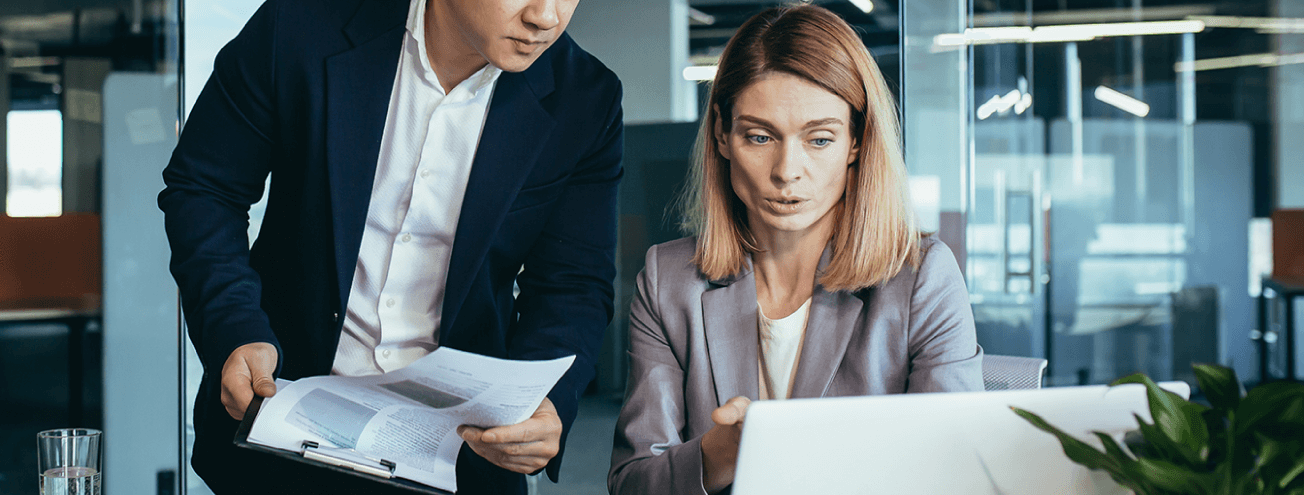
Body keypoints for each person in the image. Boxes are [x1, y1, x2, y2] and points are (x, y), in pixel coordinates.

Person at [157, 0, 623, 491]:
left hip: (461, 454)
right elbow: (205, 189)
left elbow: (573, 283)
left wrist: (547, 400)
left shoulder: (584, 98)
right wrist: (234, 329)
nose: (545, 17)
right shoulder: (298, 25)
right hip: (282, 429)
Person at [606, 5, 982, 494]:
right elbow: (632, 484)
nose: (787, 170)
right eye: (760, 137)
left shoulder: (920, 279)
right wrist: (723, 452)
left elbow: (955, 473)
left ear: (856, 142)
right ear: (722, 134)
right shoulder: (668, 279)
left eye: (819, 139)